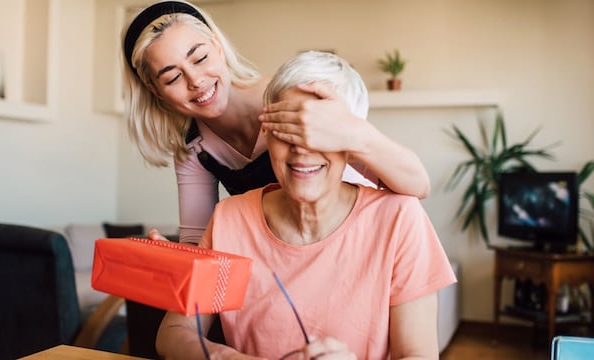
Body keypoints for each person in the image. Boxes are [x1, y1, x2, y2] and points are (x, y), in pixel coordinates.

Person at [155, 50, 457, 359]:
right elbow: (174, 334)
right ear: (267, 133)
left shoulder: (399, 219)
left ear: (352, 145)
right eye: (287, 129)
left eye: (320, 134)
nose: (302, 150)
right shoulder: (229, 219)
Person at [122, 0, 431, 245]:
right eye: (173, 77)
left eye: (200, 58)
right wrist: (175, 255)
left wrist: (350, 131)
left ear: (217, 46)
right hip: (290, 251)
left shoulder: (292, 98)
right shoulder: (195, 149)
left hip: (360, 236)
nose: (196, 81)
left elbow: (417, 185)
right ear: (155, 90)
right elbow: (201, 242)